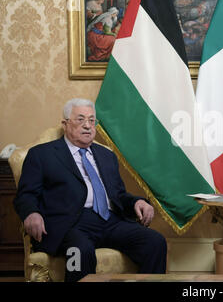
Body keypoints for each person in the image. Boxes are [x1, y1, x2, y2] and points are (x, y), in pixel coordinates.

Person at [14, 98, 167, 282]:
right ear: (65, 124)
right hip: (71, 222)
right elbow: (26, 194)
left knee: (155, 242)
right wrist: (31, 213)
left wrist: (137, 202)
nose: (87, 126)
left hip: (110, 220)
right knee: (79, 251)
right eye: (80, 119)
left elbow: (118, 195)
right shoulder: (42, 154)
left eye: (92, 120)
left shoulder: (106, 155)